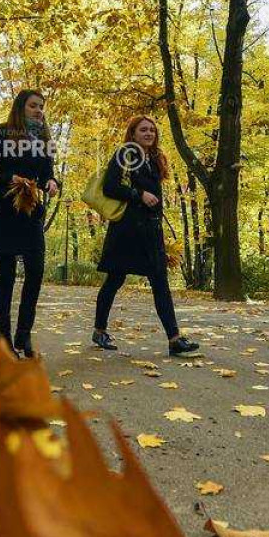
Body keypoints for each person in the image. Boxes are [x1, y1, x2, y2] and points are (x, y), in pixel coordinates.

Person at [92, 115, 199, 357]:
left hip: (151, 232)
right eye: (143, 130)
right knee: (114, 281)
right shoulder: (125, 153)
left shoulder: (154, 158)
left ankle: (174, 339)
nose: (149, 133)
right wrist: (139, 194)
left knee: (160, 283)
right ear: (133, 133)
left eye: (152, 130)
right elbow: (110, 186)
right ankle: (99, 330)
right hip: (127, 232)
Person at [0, 89, 59, 358]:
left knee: (35, 273)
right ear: (20, 107)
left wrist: (52, 182)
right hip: (5, 211)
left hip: (32, 212)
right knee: (7, 278)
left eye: (41, 107)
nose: (38, 110)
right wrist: (8, 177)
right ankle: (4, 338)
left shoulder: (44, 138)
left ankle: (25, 336)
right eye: (33, 105)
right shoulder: (1, 133)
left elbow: (49, 172)